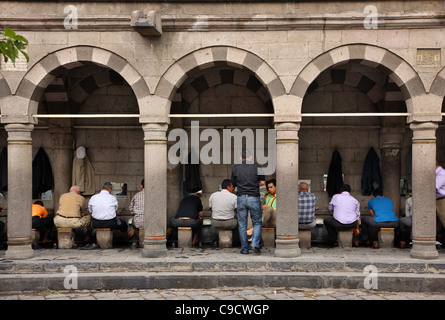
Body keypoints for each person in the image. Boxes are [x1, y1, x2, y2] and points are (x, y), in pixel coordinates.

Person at [231, 150, 265, 255]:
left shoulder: (235, 169)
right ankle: (254, 244)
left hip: (241, 197)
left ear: (241, 158)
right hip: (254, 197)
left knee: (242, 224)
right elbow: (263, 182)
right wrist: (254, 184)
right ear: (250, 157)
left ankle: (244, 249)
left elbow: (234, 184)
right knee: (257, 222)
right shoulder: (257, 168)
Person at [86, 182, 129, 249]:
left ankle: (87, 238)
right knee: (123, 224)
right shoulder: (112, 198)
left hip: (96, 223)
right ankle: (126, 238)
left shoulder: (93, 197)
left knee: (89, 224)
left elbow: (90, 212)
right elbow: (115, 212)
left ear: (101, 189)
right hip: (111, 223)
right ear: (110, 190)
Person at [128, 179, 144, 249]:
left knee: (131, 224)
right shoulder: (154, 197)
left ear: (141, 186)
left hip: (138, 222)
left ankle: (134, 242)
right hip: (151, 223)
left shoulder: (136, 196)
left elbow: (131, 210)